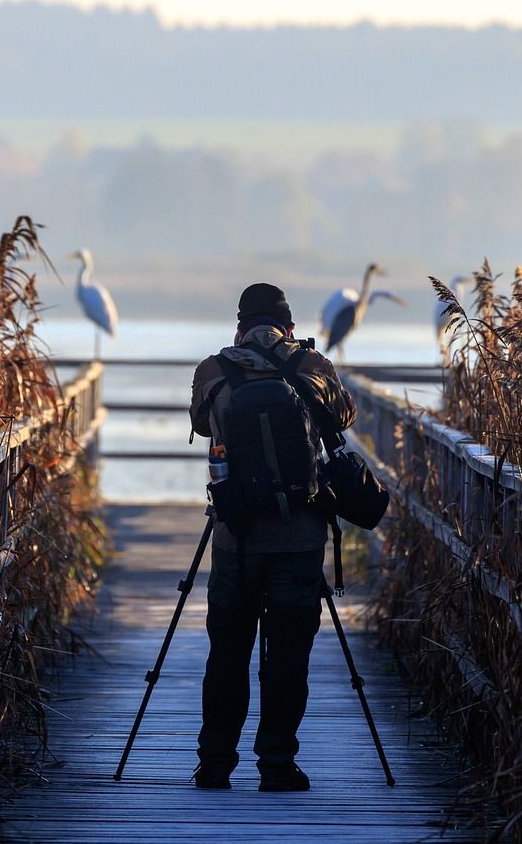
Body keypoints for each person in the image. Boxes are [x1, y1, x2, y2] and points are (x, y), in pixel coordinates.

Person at [187, 282, 356, 792]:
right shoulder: (314, 366)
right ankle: (278, 764)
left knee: (227, 654)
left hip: (235, 539)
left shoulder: (213, 369)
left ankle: (216, 764)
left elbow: (199, 422)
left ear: (239, 326)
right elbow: (343, 416)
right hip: (300, 538)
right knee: (288, 658)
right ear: (290, 327)